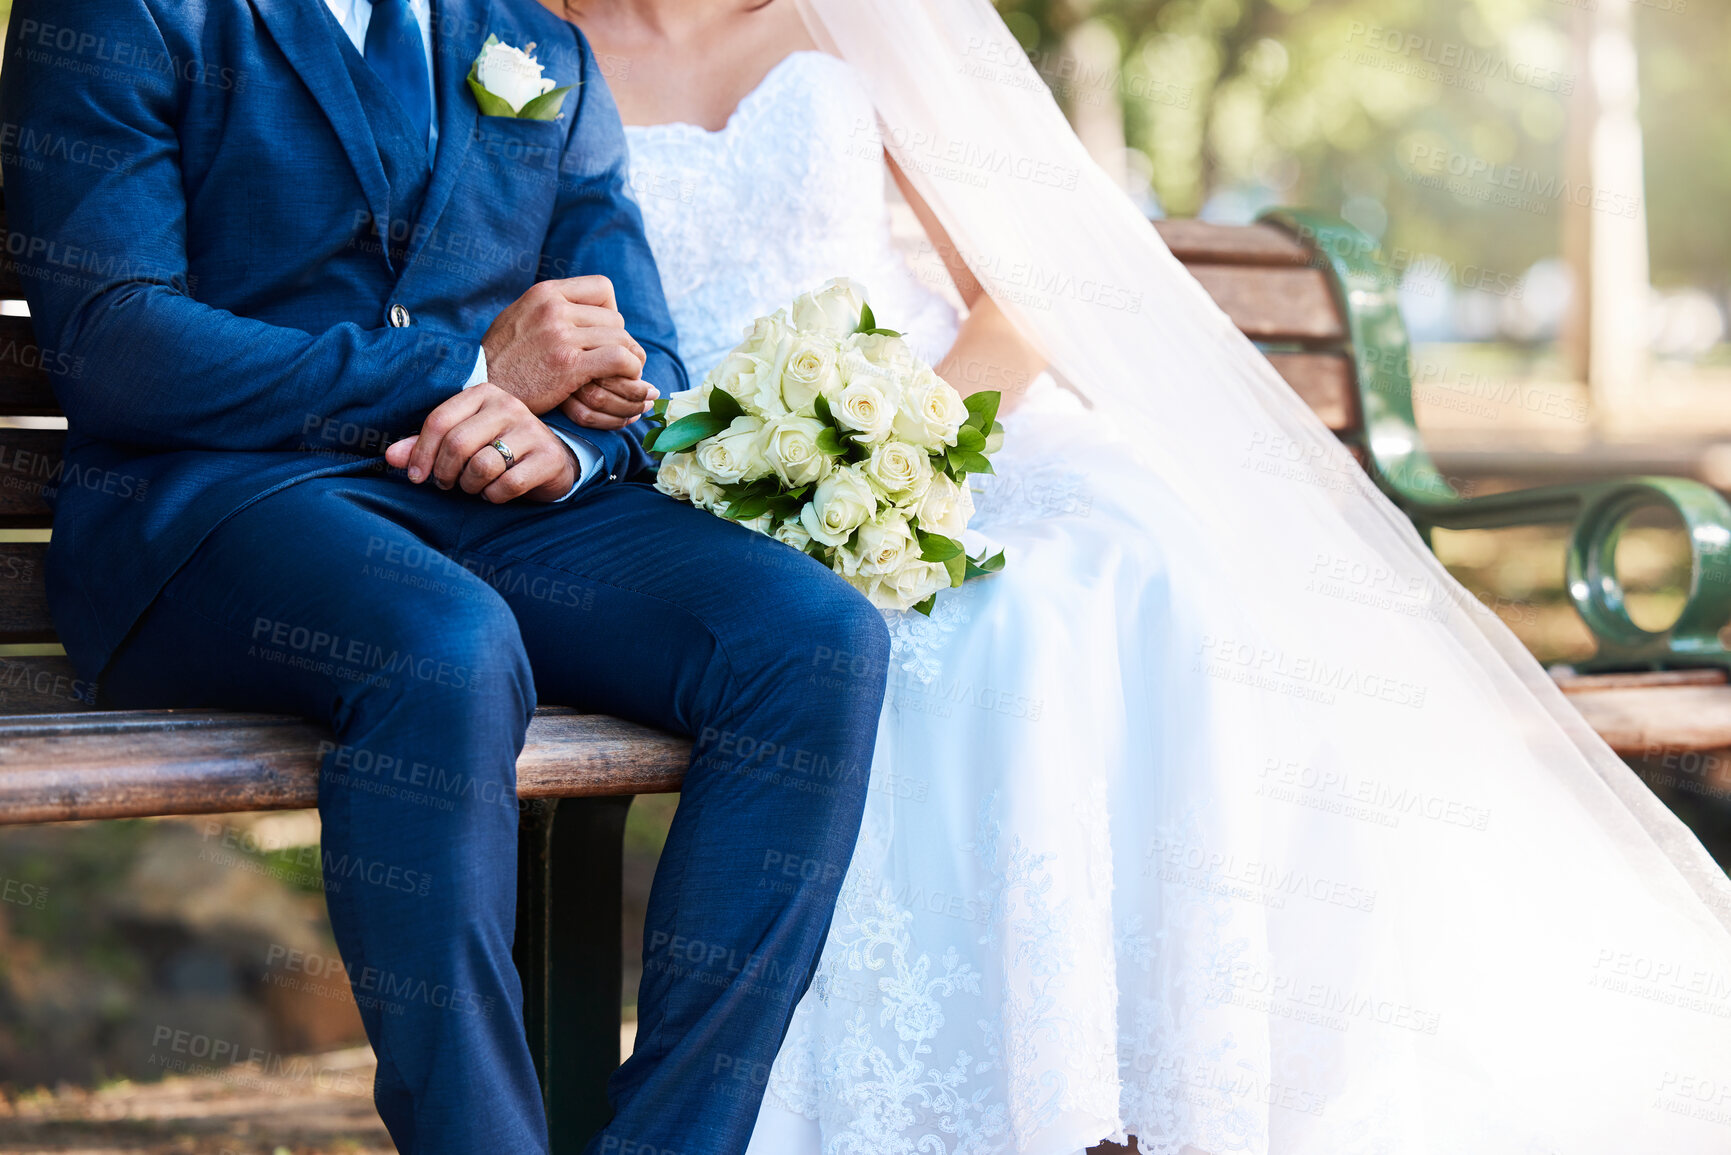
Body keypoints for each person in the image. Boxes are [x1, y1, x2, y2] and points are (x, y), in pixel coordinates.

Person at [560, 0, 1731, 1152]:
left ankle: (1147, 1085)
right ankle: (964, 1105)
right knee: (945, 631)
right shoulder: (514, 37)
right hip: (696, 485)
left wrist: (906, 456)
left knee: (1111, 573)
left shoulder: (854, 20)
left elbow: (1022, 295)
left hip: (935, 420)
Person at [0, 1, 890, 1152]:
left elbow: (645, 349)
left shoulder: (537, 42)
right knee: (447, 645)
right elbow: (116, 342)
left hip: (495, 507)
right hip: (218, 507)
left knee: (812, 641)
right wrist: (464, 373)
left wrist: (569, 441)